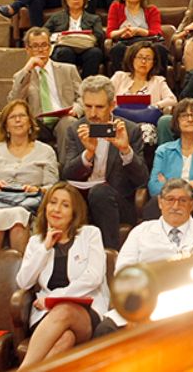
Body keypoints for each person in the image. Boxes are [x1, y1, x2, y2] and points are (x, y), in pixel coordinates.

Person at [96, 179, 193, 334]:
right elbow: (123, 272)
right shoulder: (140, 232)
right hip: (148, 303)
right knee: (105, 329)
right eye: (170, 200)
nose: (175, 206)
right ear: (160, 202)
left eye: (182, 201)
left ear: (192, 205)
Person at [15, 183, 108, 369]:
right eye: (53, 202)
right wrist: (45, 248)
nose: (56, 209)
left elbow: (94, 277)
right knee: (65, 340)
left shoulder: (90, 234)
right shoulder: (36, 242)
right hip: (46, 316)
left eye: (65, 205)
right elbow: (23, 281)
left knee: (64, 309)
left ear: (74, 212)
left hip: (85, 312)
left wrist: (54, 298)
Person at [60, 76, 147, 251]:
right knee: (58, 195)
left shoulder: (130, 130)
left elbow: (142, 179)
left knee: (100, 192)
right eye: (88, 106)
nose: (92, 113)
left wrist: (125, 150)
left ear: (112, 105)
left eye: (99, 107)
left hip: (117, 202)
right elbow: (66, 173)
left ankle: (110, 256)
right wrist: (88, 154)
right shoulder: (74, 130)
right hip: (81, 201)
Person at [0, 100, 58, 251]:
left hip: (31, 207)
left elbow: (52, 187)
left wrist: (36, 190)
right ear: (5, 126)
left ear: (30, 123)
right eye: (12, 117)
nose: (17, 120)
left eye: (22, 116)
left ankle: (21, 271)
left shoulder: (46, 151)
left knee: (18, 214)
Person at [6, 26, 82, 155]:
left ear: (50, 47)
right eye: (35, 46)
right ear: (27, 49)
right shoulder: (22, 75)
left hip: (64, 116)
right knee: (25, 125)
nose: (40, 50)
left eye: (44, 45)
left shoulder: (68, 70)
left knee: (68, 123)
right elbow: (14, 102)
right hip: (37, 121)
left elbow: (83, 97)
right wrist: (28, 70)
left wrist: (77, 109)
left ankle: (66, 170)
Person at [110, 40, 177, 147]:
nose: (144, 61)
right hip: (119, 123)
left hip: (146, 125)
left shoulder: (158, 81)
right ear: (132, 59)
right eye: (140, 57)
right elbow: (105, 96)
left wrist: (156, 105)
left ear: (153, 63)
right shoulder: (119, 77)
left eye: (148, 58)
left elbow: (172, 100)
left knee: (145, 131)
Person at [105, 0, 167, 73]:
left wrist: (138, 31)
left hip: (146, 43)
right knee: (117, 49)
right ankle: (121, 84)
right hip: (125, 43)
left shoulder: (152, 10)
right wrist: (123, 32)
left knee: (160, 49)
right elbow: (110, 33)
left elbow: (157, 32)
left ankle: (158, 83)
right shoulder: (116, 7)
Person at [45, 0, 105, 79]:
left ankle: (86, 87)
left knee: (95, 53)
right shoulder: (56, 17)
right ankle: (67, 86)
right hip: (65, 50)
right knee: (64, 52)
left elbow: (99, 35)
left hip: (86, 49)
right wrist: (57, 36)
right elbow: (44, 33)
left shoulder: (94, 18)